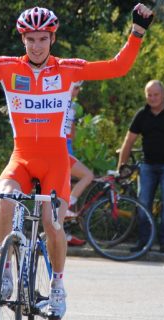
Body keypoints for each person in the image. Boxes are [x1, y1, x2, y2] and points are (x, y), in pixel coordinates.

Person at [0, 0, 153, 320]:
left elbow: (116, 67)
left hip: (55, 161)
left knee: (53, 224)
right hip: (21, 157)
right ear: (22, 40)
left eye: (42, 39)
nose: (36, 46)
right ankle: (5, 271)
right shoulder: (7, 67)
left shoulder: (68, 69)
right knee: (6, 200)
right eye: (30, 39)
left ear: (52, 39)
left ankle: (57, 287)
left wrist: (136, 32)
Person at [117, 80, 164, 253]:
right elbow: (129, 141)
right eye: (149, 95)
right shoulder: (142, 114)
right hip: (148, 165)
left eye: (156, 94)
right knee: (143, 202)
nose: (152, 98)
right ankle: (144, 241)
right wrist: (121, 165)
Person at [65, 81, 92, 247]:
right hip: (62, 149)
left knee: (62, 191)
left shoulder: (72, 106)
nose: (78, 91)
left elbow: (72, 132)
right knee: (88, 175)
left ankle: (65, 236)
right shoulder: (62, 103)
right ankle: (70, 203)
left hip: (67, 148)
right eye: (75, 87)